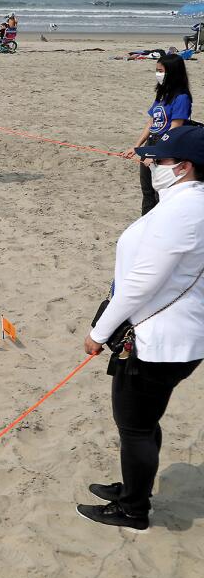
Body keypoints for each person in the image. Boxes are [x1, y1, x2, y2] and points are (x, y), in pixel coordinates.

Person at [79, 124, 204, 532]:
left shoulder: (185, 209)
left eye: (160, 159)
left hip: (161, 341)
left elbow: (141, 282)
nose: (151, 164)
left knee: (134, 425)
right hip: (175, 336)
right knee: (144, 422)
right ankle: (135, 488)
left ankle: (134, 509)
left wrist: (99, 333)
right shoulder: (189, 201)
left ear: (184, 168)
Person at [122, 53, 192, 214]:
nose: (158, 74)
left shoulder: (182, 98)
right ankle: (145, 225)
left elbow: (175, 128)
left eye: (161, 71)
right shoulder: (162, 94)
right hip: (152, 144)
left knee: (160, 192)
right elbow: (152, 122)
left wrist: (155, 155)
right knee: (147, 191)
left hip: (166, 147)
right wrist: (137, 146)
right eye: (157, 70)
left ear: (172, 73)